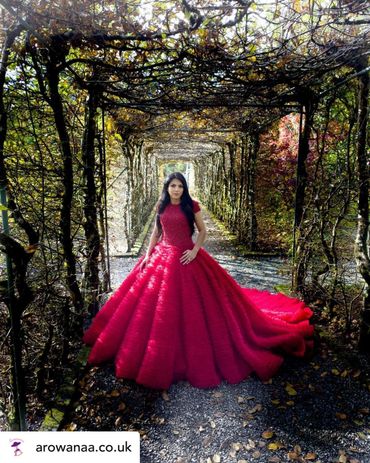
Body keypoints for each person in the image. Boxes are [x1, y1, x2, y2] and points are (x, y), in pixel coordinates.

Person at [83, 172, 314, 389]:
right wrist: (147, 255)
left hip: (186, 256)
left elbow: (203, 231)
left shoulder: (190, 205)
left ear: (184, 188)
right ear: (167, 187)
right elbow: (156, 232)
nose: (176, 189)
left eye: (180, 186)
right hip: (162, 256)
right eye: (173, 186)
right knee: (154, 305)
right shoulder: (161, 205)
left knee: (200, 305)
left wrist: (194, 251)